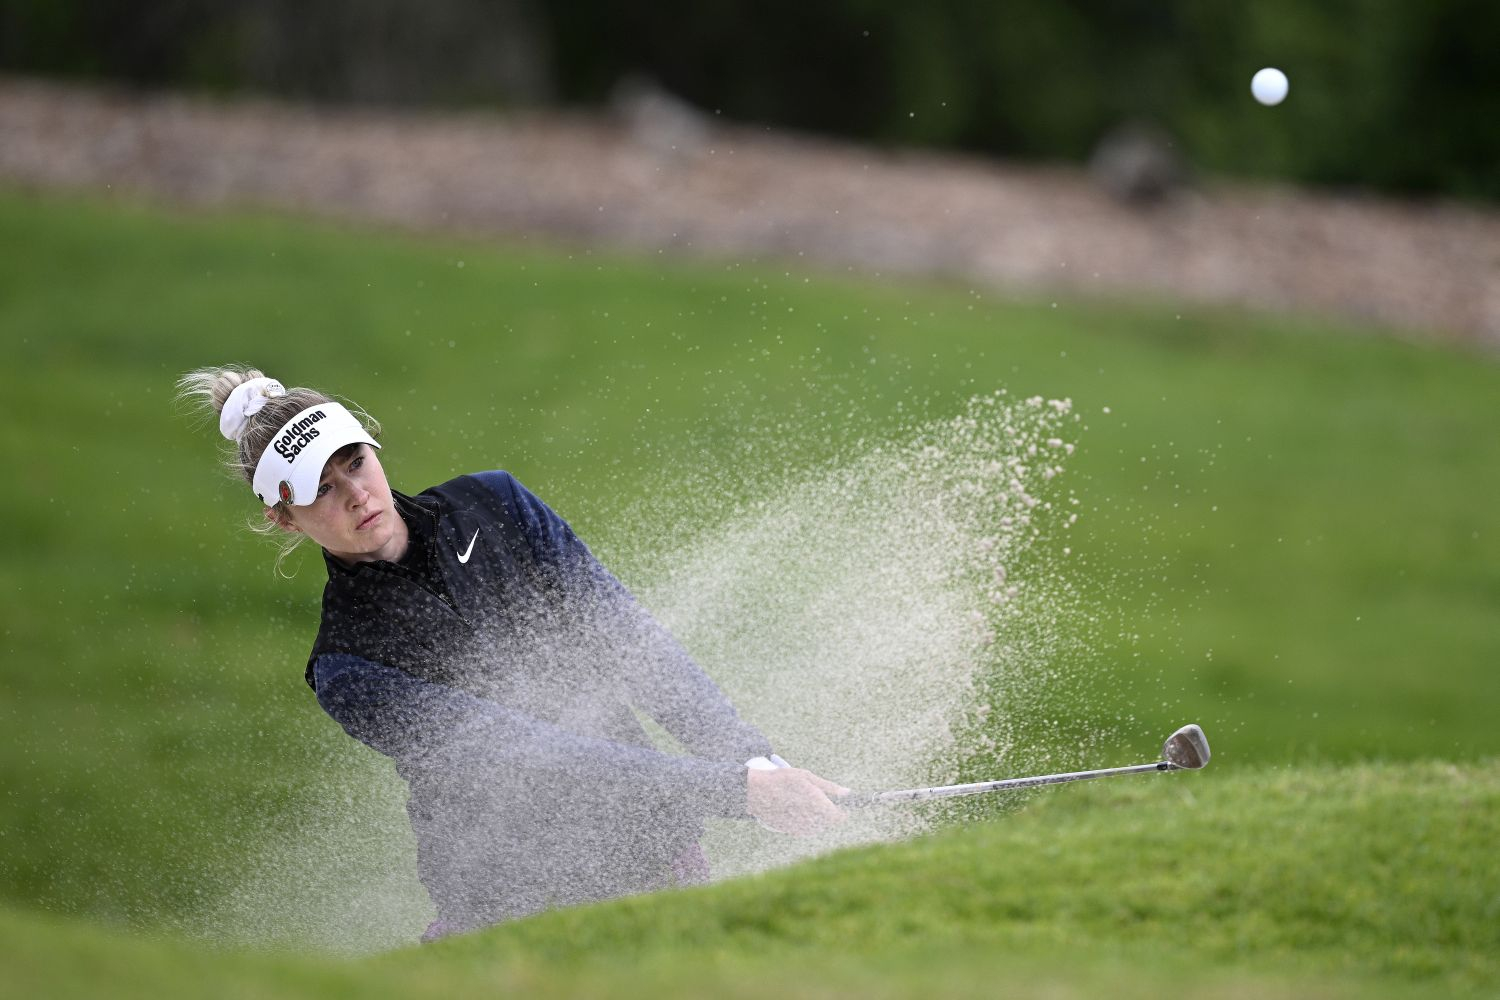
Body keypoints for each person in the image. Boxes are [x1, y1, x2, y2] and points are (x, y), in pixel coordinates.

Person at [178, 366, 847, 939]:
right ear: (283, 516)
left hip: (654, 862)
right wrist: (739, 791)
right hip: (511, 917)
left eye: (354, 462)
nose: (355, 494)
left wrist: (755, 758)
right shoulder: (349, 666)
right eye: (322, 488)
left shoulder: (494, 505)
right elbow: (529, 758)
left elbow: (629, 642)